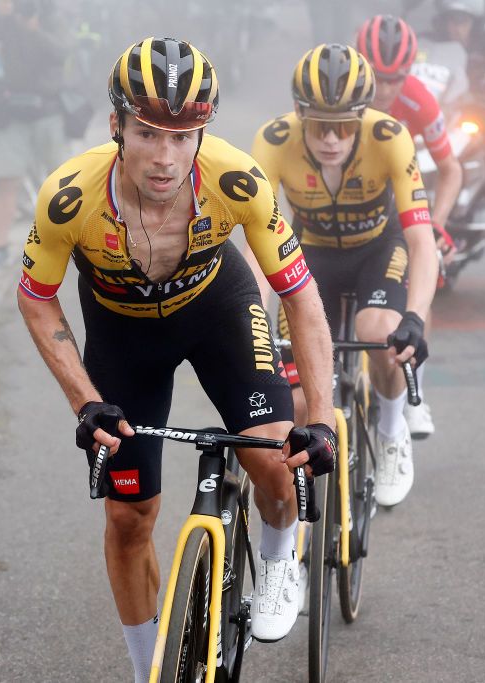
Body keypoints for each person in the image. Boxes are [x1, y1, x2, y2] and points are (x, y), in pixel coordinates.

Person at [17, 37, 338, 682]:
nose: (164, 157)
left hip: (216, 308)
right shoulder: (69, 199)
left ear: (201, 136)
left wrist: (323, 417)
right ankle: (147, 671)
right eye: (147, 133)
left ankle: (279, 560)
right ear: (117, 126)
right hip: (122, 332)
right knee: (129, 515)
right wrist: (85, 402)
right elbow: (36, 300)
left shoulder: (238, 180)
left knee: (274, 455)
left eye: (182, 136)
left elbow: (299, 297)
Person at [250, 44, 438, 507]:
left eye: (344, 126)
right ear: (298, 113)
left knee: (380, 331)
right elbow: (258, 247)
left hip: (378, 246)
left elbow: (421, 240)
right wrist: (255, 318)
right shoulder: (273, 141)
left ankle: (392, 432)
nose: (332, 139)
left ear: (364, 115)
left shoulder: (391, 136)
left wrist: (414, 316)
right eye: (320, 125)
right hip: (311, 253)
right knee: (295, 401)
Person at [357, 14, 463, 438]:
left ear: (409, 73)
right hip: (356, 198)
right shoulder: (343, 94)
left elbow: (451, 169)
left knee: (425, 265)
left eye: (394, 79)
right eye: (376, 78)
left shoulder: (419, 100)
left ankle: (416, 378)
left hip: (405, 195)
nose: (384, 90)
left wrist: (437, 225)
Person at [0, 0, 67, 269]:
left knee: (61, 179)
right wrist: (0, 17)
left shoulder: (49, 15)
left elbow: (62, 53)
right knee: (7, 180)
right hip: (14, 114)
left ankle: (72, 236)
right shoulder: (6, 20)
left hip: (47, 111)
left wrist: (34, 30)